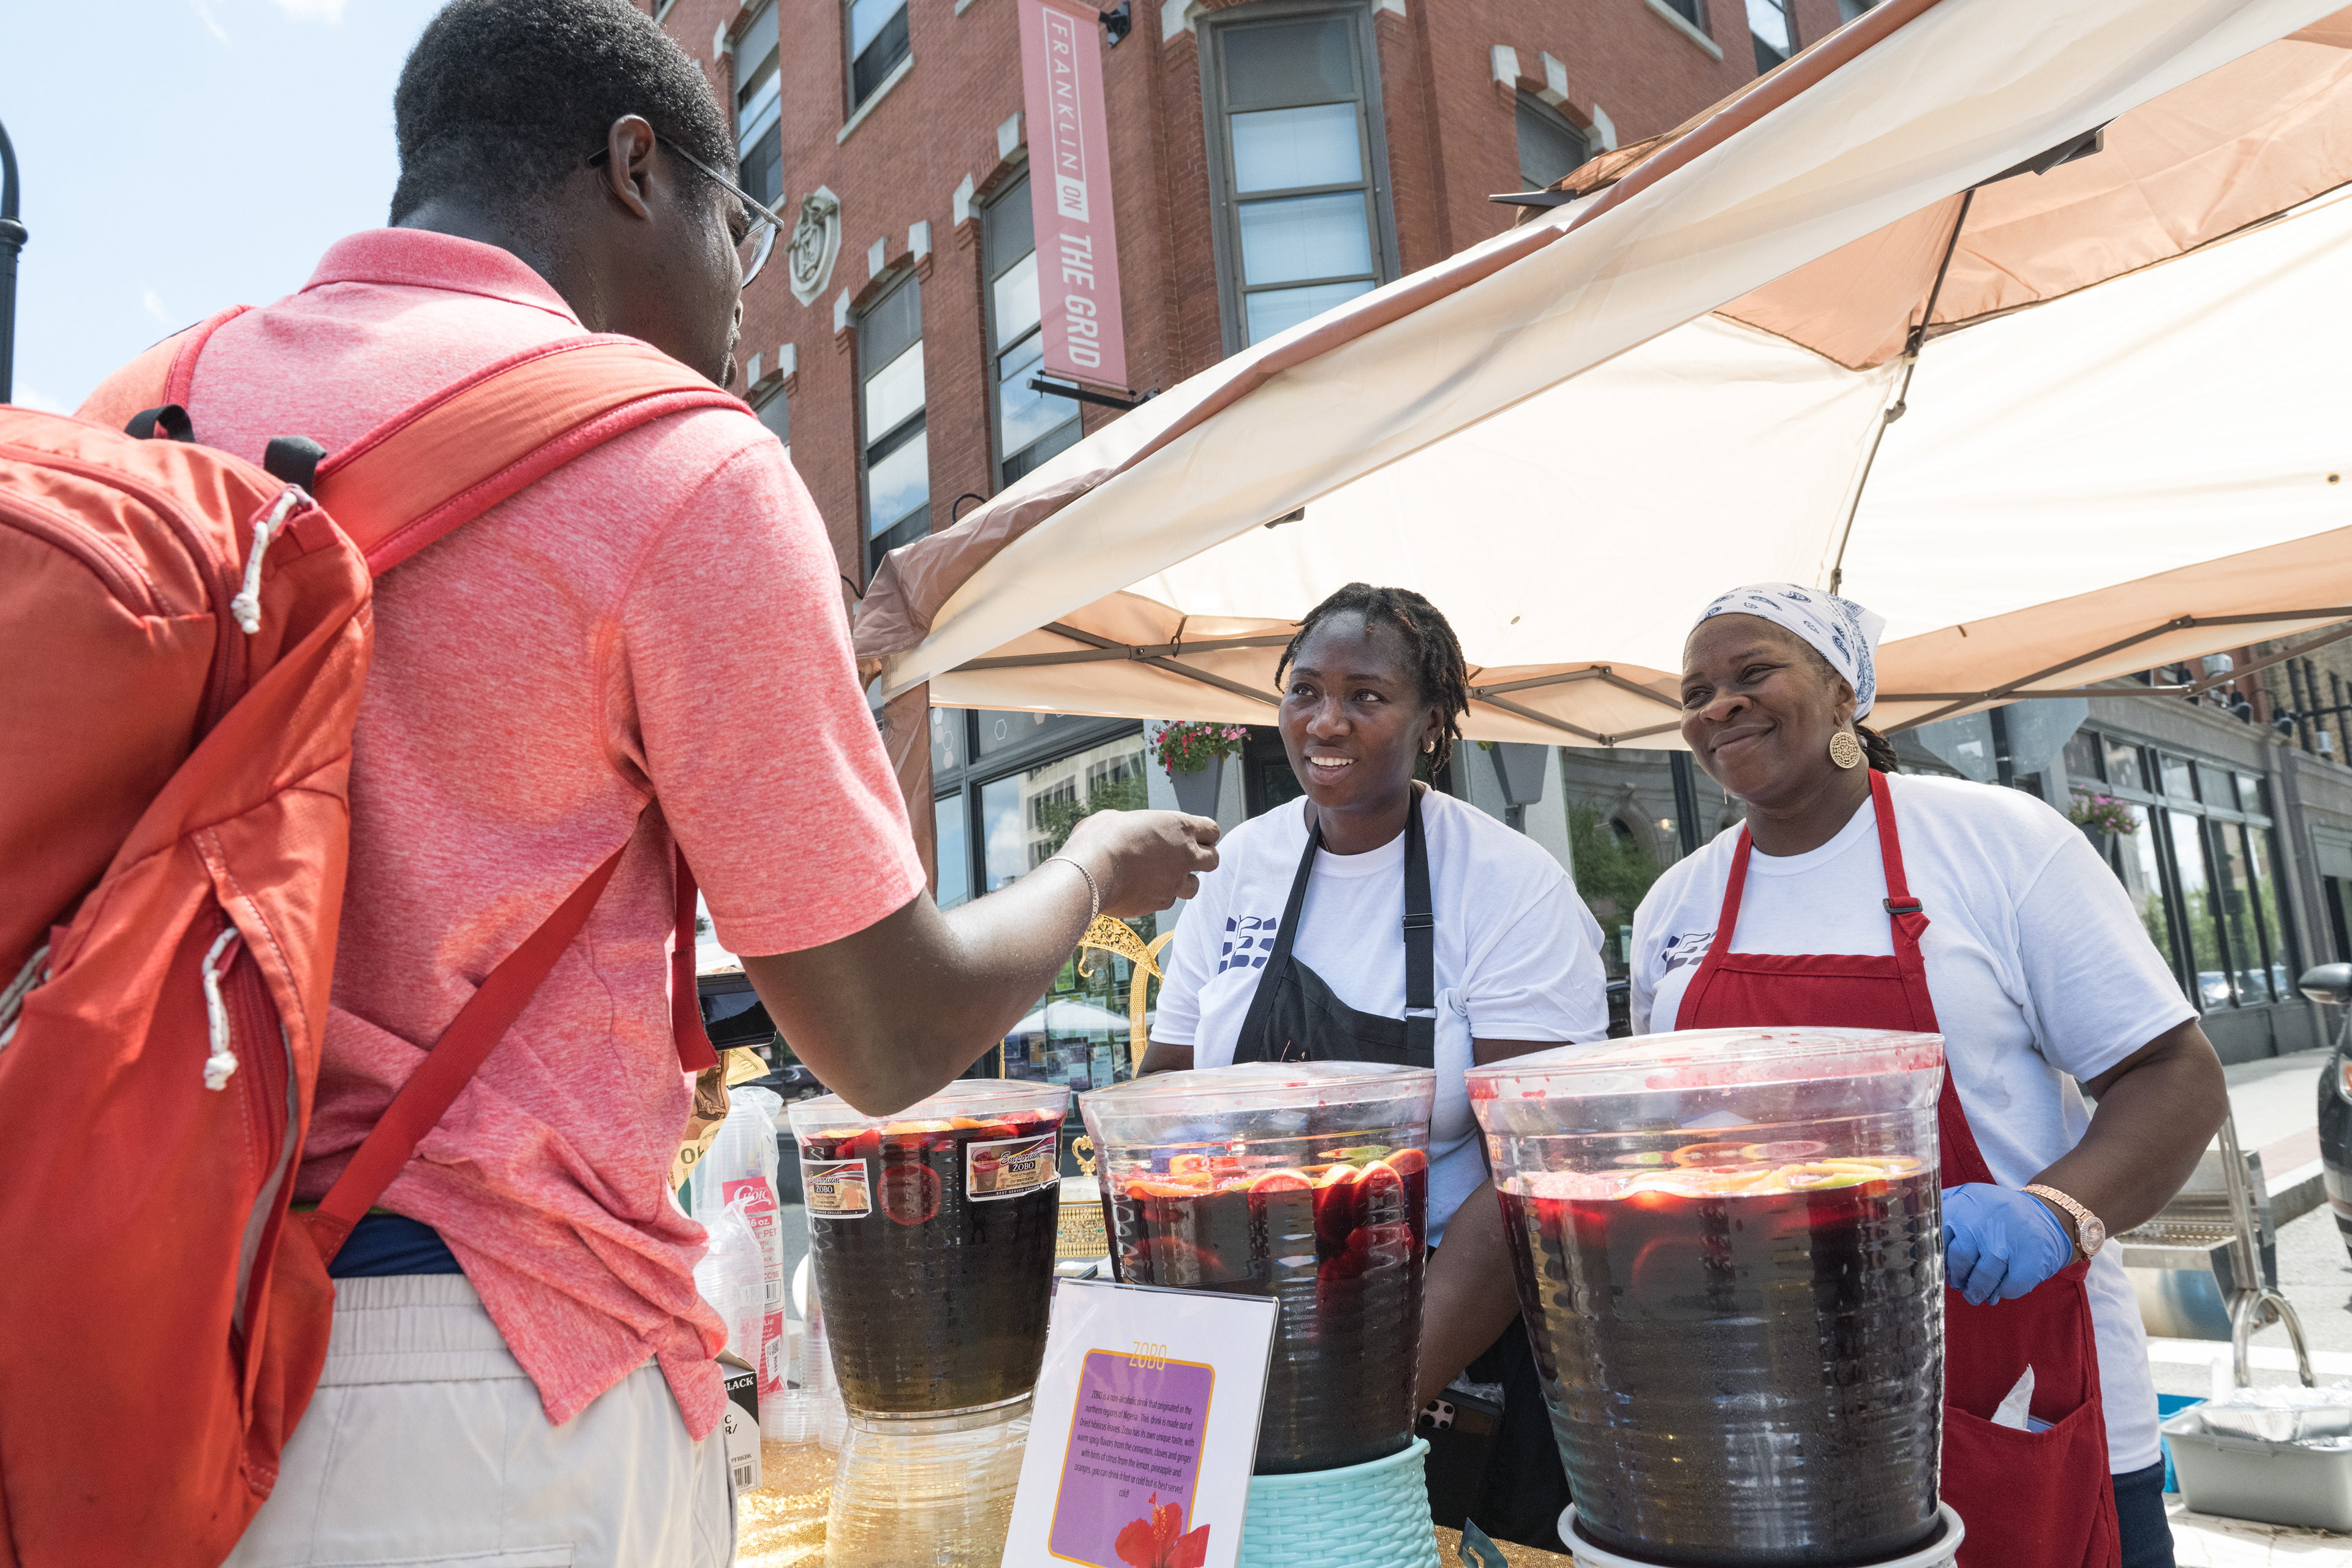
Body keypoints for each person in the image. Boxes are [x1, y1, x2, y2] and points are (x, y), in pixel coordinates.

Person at [76, 4, 1215, 1564]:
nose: (743, 290)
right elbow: (884, 1031)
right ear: (635, 169)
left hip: (120, 1337)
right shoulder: (678, 458)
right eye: (738, 219)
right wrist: (1085, 863)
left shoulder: (131, 414)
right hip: (493, 1384)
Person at [1420, 583, 2225, 1568]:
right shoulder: (1681, 900)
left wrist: (2056, 1211)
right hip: (1747, 1422)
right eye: (1697, 690)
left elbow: (2172, 1071)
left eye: (1753, 673)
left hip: (1993, 1377)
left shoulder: (1999, 844)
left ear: (1847, 692)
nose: (1719, 705)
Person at [1142, 582, 1610, 1545]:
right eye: (1305, 690)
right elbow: (1164, 1108)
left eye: (1367, 695)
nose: (1327, 720)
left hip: (1449, 1328)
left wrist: (1365, 1404)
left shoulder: (1508, 886)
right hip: (1245, 1312)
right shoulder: (1238, 872)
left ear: (1433, 723)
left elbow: (1536, 1171)